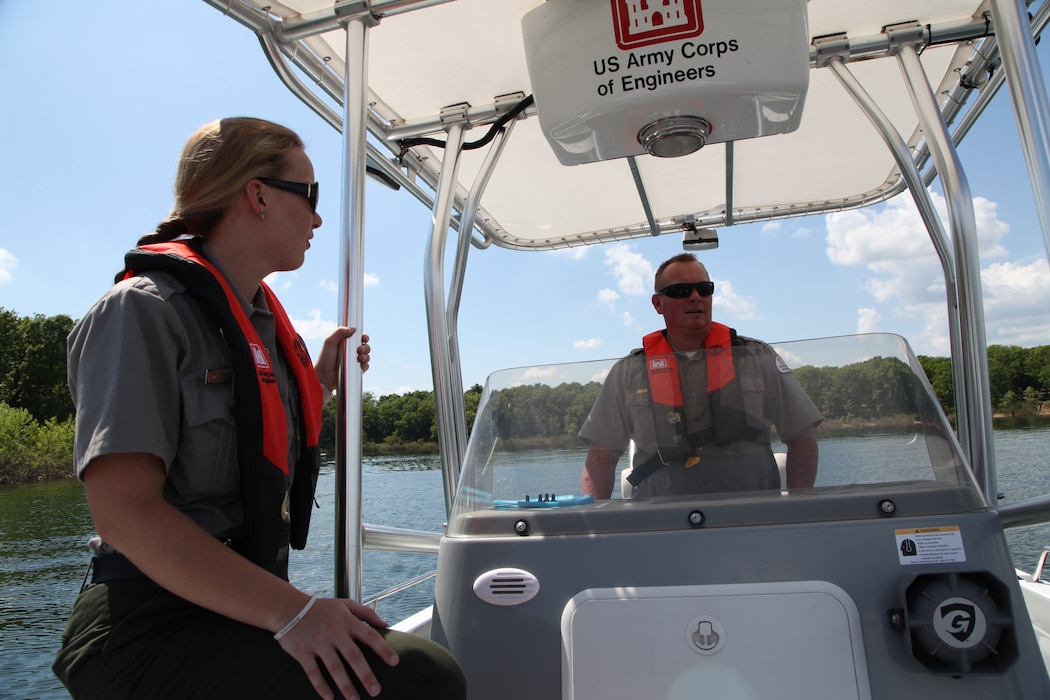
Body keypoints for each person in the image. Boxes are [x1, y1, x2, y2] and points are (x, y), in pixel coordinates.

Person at [52, 117, 466, 700]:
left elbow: (252, 433)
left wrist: (317, 381)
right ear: (257, 194)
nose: (320, 218)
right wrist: (297, 615)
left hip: (235, 605)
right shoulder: (140, 312)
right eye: (311, 195)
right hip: (145, 625)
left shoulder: (260, 327)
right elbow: (125, 515)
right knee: (422, 677)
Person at [579, 253, 822, 499]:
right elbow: (600, 458)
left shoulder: (756, 357)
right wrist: (596, 522)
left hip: (752, 520)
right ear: (658, 304)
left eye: (704, 289)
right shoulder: (628, 372)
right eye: (681, 290)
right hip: (659, 524)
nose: (695, 297)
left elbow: (802, 441)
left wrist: (797, 506)